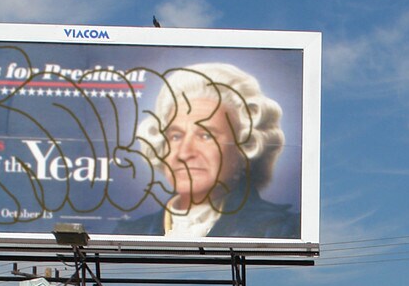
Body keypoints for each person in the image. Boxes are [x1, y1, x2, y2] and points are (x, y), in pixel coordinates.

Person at [119, 63, 298, 239]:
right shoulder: (128, 233)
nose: (184, 153)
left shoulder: (281, 230)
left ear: (245, 146)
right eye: (176, 136)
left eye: (205, 136)